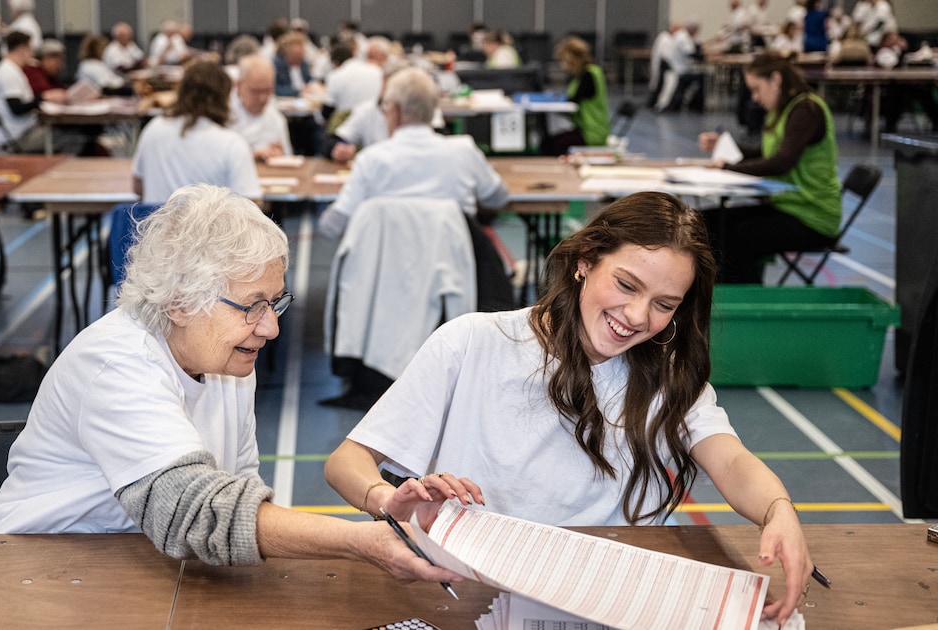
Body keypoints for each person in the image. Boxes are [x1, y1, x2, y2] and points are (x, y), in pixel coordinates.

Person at [323, 191, 812, 627]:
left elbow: (731, 460)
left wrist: (778, 510)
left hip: (610, 594)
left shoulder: (668, 375)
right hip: (475, 589)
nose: (637, 316)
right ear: (585, 261)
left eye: (664, 305)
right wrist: (387, 499)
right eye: (626, 285)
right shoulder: (472, 343)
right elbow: (347, 461)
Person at [0, 183, 463, 590]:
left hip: (127, 569)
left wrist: (383, 506)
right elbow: (195, 513)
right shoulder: (117, 363)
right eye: (252, 305)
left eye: (276, 302)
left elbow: (236, 496)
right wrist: (360, 542)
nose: (271, 327)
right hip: (27, 573)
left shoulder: (226, 361)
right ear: (180, 302)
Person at [317, 68, 507, 241]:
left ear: (394, 111)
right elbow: (498, 198)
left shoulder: (370, 160)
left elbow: (332, 227)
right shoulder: (464, 151)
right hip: (453, 263)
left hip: (389, 264)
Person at [697, 53, 840, 284]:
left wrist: (729, 168)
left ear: (775, 79)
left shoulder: (806, 109)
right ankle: (719, 290)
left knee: (738, 237)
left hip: (812, 216)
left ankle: (745, 299)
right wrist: (725, 146)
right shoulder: (782, 109)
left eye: (756, 89)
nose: (754, 98)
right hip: (786, 206)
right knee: (707, 222)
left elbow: (782, 162)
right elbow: (767, 153)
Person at [130, 60, 260, 204]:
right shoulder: (232, 143)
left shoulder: (153, 129)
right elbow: (251, 205)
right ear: (225, 98)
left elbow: (138, 187)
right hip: (208, 219)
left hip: (157, 218)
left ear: (181, 92)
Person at [0, 31, 93, 154]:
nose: (32, 54)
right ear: (22, 49)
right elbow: (16, 108)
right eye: (30, 49)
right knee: (73, 139)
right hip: (21, 136)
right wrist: (43, 98)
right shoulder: (8, 73)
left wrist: (42, 99)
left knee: (68, 135)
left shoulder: (12, 70)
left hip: (23, 130)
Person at [542, 36, 609, 155]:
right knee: (549, 141)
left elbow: (574, 101)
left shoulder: (588, 75)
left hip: (591, 132)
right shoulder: (587, 73)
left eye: (563, 61)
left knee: (551, 145)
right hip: (586, 129)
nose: (563, 66)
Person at [228, 55, 292, 162]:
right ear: (238, 87)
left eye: (268, 91)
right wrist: (250, 156)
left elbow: (288, 157)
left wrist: (280, 154)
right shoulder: (224, 116)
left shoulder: (276, 118)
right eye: (256, 91)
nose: (263, 98)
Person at [322, 37, 386, 116]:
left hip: (347, 120)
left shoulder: (335, 76)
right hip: (375, 118)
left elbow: (327, 111)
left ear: (335, 63)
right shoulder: (377, 71)